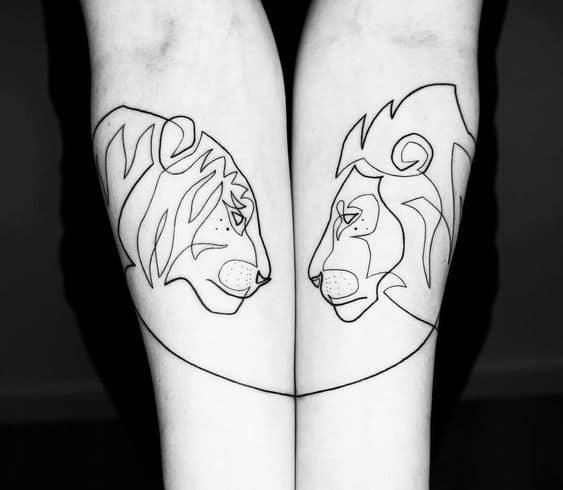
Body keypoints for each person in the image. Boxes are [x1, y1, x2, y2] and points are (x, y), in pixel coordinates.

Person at [80, 0, 481, 488]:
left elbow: (406, 36)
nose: (265, 268)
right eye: (234, 215)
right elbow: (166, 37)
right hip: (149, 310)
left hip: (425, 306)